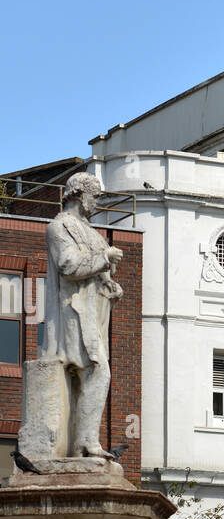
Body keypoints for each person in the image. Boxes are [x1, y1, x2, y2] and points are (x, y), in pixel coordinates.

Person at [43, 172, 124, 457]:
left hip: (93, 313)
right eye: (95, 196)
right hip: (73, 311)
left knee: (94, 372)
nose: (98, 203)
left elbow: (97, 274)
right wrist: (105, 259)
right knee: (98, 370)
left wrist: (111, 284)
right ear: (78, 193)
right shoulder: (60, 226)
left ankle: (85, 442)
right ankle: (86, 444)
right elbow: (68, 265)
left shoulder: (91, 231)